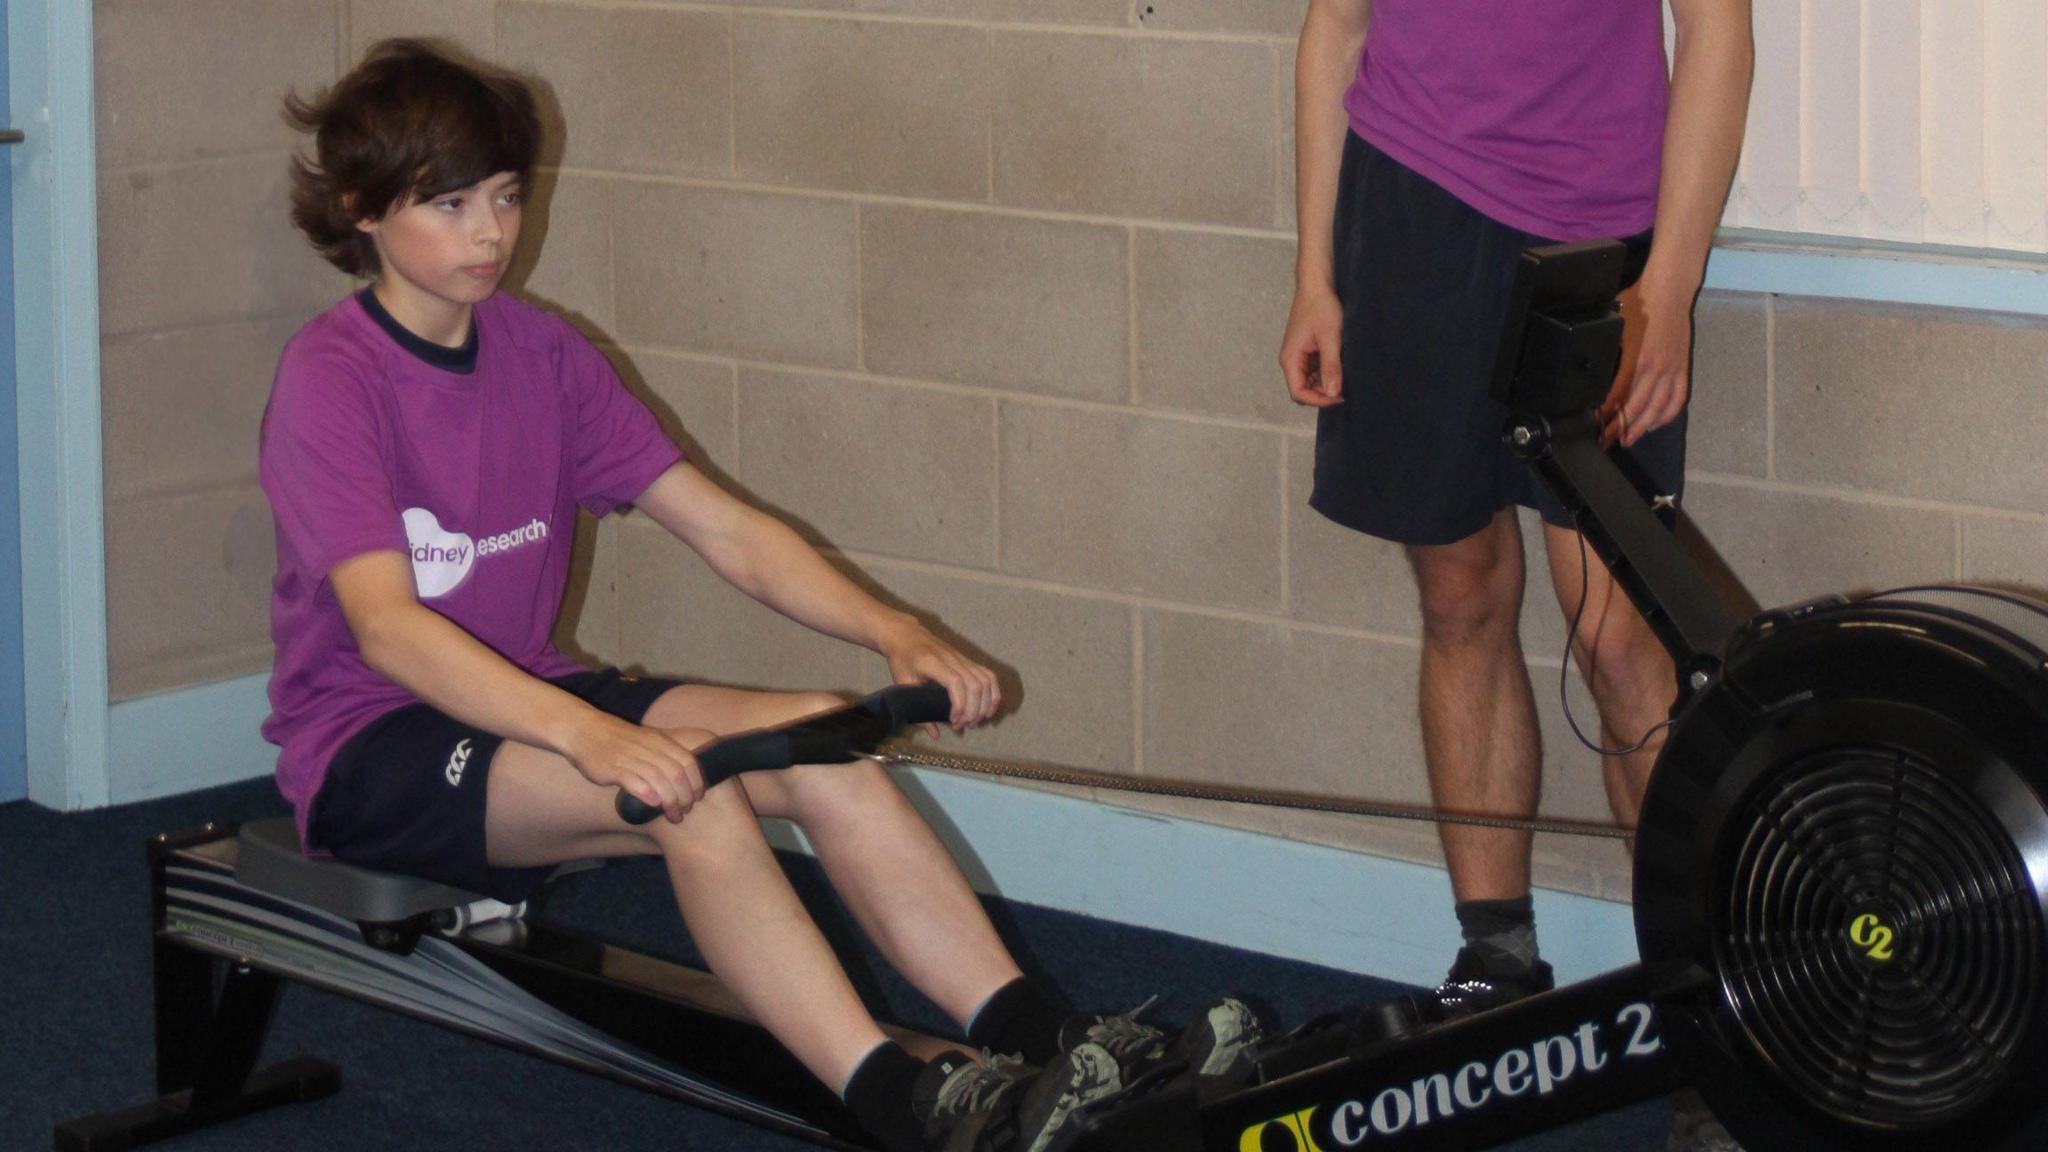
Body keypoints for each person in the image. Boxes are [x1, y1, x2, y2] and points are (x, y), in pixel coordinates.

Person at [261, 40, 1254, 1152]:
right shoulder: (331, 378)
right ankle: (891, 1098)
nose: (491, 233)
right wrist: (588, 734)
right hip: (373, 743)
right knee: (700, 796)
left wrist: (896, 630)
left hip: (533, 698)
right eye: (449, 205)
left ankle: (1053, 1039)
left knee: (819, 741)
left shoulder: (541, 353)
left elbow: (724, 528)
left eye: (503, 197)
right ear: (360, 208)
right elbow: (390, 631)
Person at [1280, 0, 1752, 1018]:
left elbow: (1715, 33)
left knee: (1623, 635)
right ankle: (1494, 959)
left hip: (1598, 239)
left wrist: (1664, 291)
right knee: (1458, 594)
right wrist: (1314, 274)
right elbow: (1336, 29)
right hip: (1408, 212)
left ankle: (1712, 997)